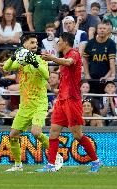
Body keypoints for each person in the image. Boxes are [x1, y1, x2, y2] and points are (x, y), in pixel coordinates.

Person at [37, 32, 101, 172]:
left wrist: (52, 58)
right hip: (61, 100)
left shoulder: (74, 54)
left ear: (65, 42)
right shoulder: (65, 57)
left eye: (59, 41)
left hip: (72, 99)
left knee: (77, 134)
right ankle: (51, 165)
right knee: (53, 132)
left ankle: (96, 161)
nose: (57, 43)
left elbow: (68, 63)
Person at [3, 34, 63, 171]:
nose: (35, 45)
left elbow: (47, 75)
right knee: (12, 135)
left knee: (36, 132)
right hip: (25, 106)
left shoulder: (41, 59)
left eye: (36, 42)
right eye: (32, 42)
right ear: (25, 45)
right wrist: (14, 55)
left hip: (39, 104)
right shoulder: (20, 61)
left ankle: (57, 156)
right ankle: (18, 165)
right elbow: (6, 68)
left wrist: (34, 62)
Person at [83, 22, 117, 94]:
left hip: (105, 79)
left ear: (107, 30)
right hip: (91, 78)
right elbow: (85, 59)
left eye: (104, 28)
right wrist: (87, 74)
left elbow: (112, 62)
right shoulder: (90, 43)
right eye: (100, 28)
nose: (102, 30)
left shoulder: (111, 43)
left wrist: (107, 77)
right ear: (96, 30)